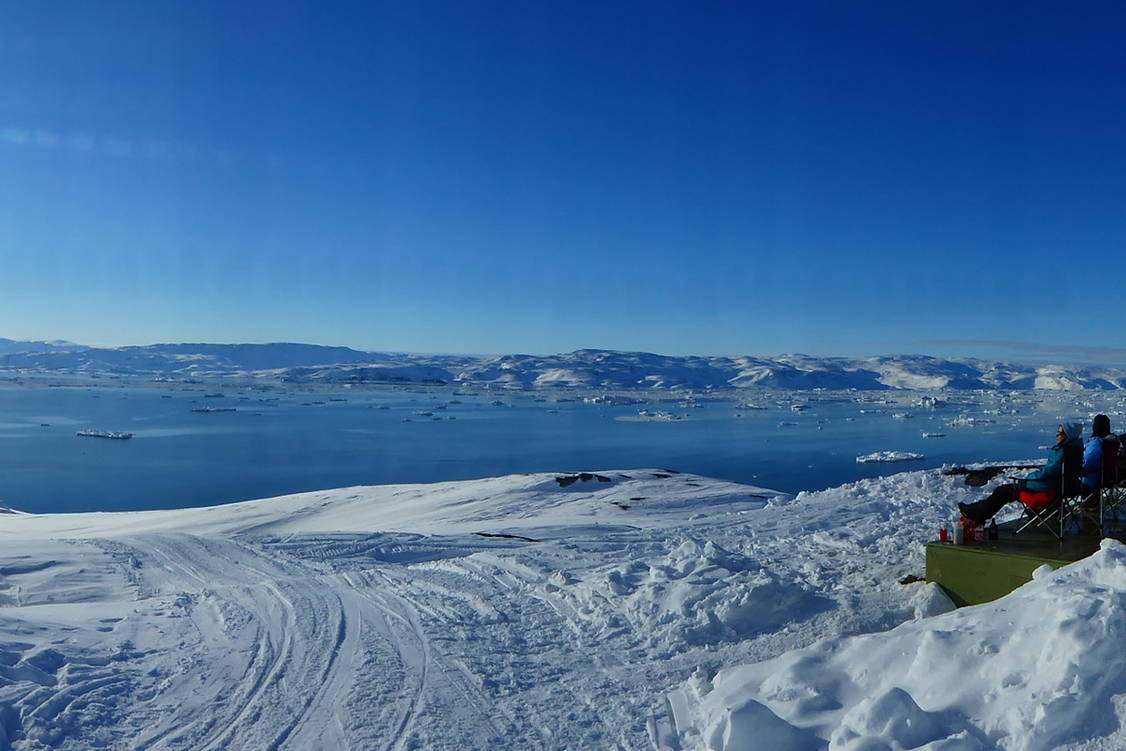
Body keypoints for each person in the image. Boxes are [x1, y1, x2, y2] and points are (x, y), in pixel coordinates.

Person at [957, 422, 1084, 525]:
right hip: (1063, 487)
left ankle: (976, 514)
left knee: (1002, 491)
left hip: (1048, 489)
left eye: (1060, 432)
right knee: (1005, 491)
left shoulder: (1063, 451)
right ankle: (975, 512)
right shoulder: (1075, 449)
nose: (1057, 435)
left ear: (1068, 435)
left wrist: (1028, 478)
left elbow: (1048, 473)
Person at [1081, 414, 1120, 493]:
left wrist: (1077, 470)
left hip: (1089, 481)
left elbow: (1089, 462)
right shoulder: (1112, 442)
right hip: (1106, 478)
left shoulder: (1097, 443)